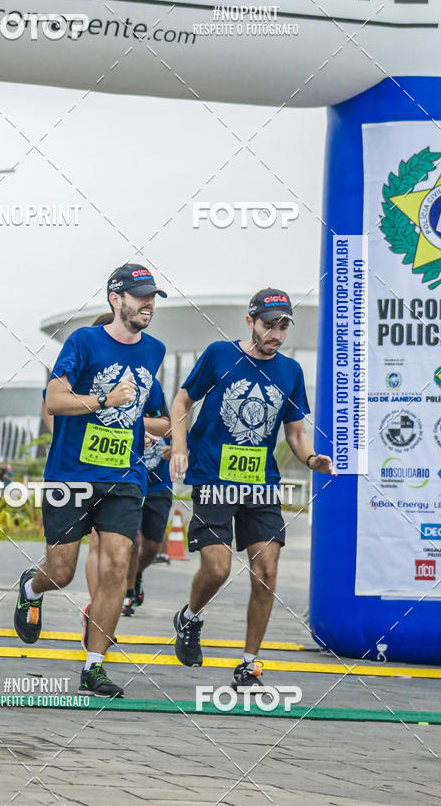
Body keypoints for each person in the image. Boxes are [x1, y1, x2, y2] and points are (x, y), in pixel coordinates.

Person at [13, 263, 167, 697]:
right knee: (61, 571)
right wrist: (103, 399)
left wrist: (161, 428)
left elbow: (155, 415)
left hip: (124, 476)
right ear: (116, 299)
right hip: (71, 474)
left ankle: (94, 666)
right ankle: (31, 585)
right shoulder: (83, 342)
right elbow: (54, 399)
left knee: (119, 563)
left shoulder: (155, 351)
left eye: (153, 296)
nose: (148, 304)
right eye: (139, 296)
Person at [169, 289, 335, 689]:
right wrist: (180, 447)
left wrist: (312, 459)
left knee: (267, 571)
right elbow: (182, 401)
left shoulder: (291, 372)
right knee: (217, 569)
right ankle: (190, 618)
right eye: (269, 325)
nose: (276, 334)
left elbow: (295, 433)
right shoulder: (219, 355)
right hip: (213, 477)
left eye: (283, 326)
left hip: (260, 484)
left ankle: (248, 664)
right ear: (250, 322)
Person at [122, 383, 173, 616]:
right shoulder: (126, 417)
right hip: (132, 483)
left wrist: (177, 450)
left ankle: (137, 573)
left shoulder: (166, 422)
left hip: (159, 487)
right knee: (133, 539)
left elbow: (185, 443)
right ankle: (129, 591)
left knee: (152, 546)